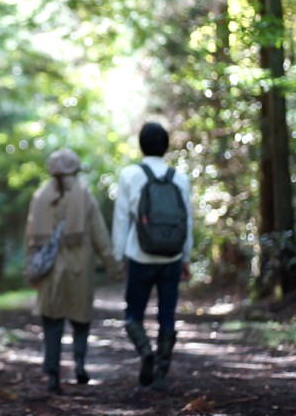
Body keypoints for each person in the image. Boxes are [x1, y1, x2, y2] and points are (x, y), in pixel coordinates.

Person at [25, 148, 123, 394]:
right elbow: (100, 234)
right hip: (80, 267)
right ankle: (79, 364)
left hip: (49, 272)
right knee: (80, 319)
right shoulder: (83, 194)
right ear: (75, 167)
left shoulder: (39, 197)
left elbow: (30, 238)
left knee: (52, 323)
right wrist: (114, 266)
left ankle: (53, 375)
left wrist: (32, 271)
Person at [112, 122, 193, 392]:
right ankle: (161, 372)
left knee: (133, 313)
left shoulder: (130, 175)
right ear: (166, 145)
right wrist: (186, 256)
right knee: (167, 315)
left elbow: (122, 218)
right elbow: (187, 221)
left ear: (141, 144)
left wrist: (119, 254)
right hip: (171, 257)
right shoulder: (179, 177)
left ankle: (145, 351)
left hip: (140, 255)